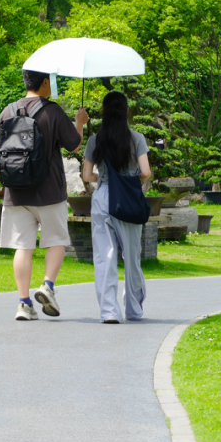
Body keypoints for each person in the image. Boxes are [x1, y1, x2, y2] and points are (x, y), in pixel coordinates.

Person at [0, 69, 88, 321]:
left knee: (22, 247)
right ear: (45, 82)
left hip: (15, 193)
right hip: (49, 192)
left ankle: (23, 304)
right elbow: (74, 144)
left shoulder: (7, 111)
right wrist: (79, 122)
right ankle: (47, 286)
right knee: (56, 239)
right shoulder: (53, 111)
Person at [80, 91, 152, 324]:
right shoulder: (137, 138)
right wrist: (130, 179)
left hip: (102, 198)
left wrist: (105, 178)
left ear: (104, 113)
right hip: (128, 199)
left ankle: (109, 312)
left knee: (104, 257)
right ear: (127, 111)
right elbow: (146, 172)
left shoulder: (95, 140)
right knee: (132, 257)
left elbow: (87, 175)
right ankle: (133, 309)